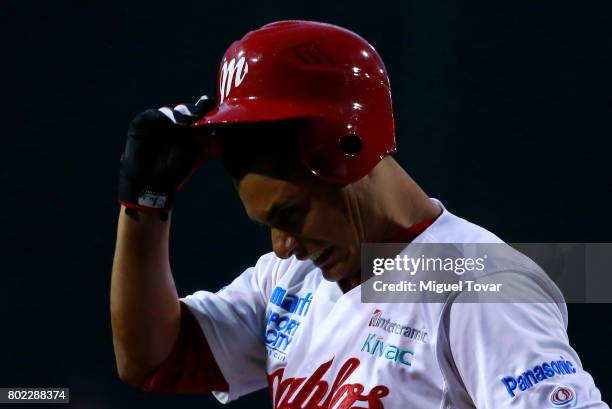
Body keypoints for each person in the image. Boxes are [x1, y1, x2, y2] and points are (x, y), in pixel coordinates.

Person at [111, 21, 608, 408]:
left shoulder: (478, 283)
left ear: (347, 150)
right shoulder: (294, 277)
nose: (283, 246)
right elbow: (150, 360)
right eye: (270, 226)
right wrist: (145, 205)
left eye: (290, 215)